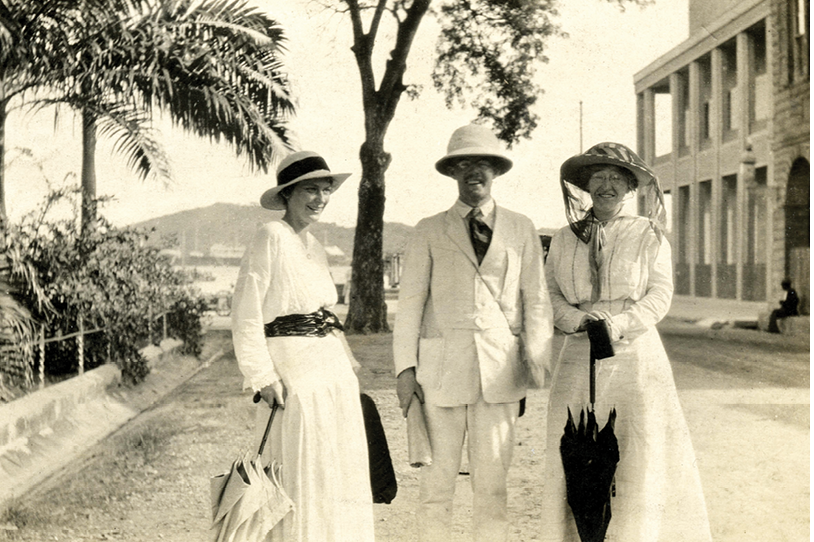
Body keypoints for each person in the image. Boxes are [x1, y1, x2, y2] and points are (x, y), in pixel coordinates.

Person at [540, 142, 712, 541]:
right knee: (576, 447)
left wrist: (618, 325)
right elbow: (549, 293)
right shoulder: (564, 238)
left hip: (634, 354)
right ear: (586, 185)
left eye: (617, 178)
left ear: (631, 187)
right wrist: (578, 320)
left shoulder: (648, 234)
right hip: (578, 354)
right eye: (598, 177)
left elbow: (660, 294)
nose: (606, 185)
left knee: (637, 448)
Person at [393, 123, 553, 542]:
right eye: (463, 164)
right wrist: (405, 370)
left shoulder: (521, 227)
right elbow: (409, 305)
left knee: (492, 489)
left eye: (483, 163)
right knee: (436, 488)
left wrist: (536, 355)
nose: (473, 172)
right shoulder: (429, 229)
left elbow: (536, 298)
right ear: (452, 173)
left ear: (496, 170)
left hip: (500, 374)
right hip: (440, 376)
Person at [231, 150, 375, 542]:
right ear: (287, 194)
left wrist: (349, 367)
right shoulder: (270, 235)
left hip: (331, 372)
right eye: (310, 190)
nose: (320, 198)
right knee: (299, 469)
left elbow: (326, 315)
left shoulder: (314, 245)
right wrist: (262, 376)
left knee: (336, 470)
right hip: (293, 372)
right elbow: (246, 313)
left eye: (325, 190)